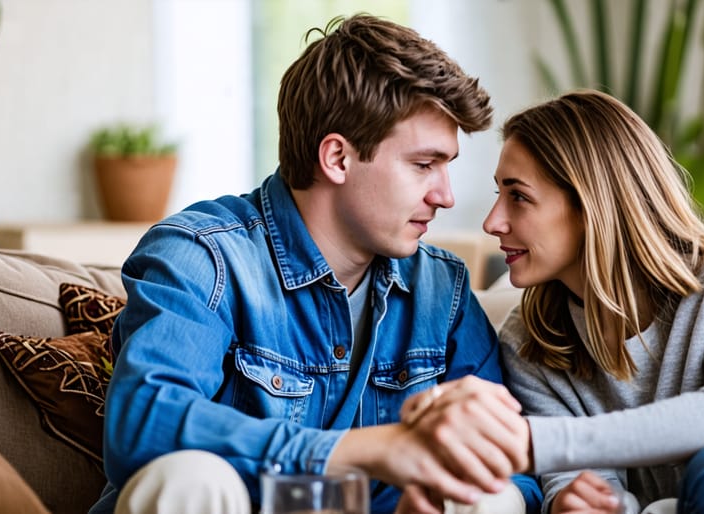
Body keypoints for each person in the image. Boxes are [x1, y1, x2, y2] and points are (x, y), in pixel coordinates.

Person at [88, 14, 541, 514]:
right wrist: (367, 451)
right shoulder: (205, 257)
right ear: (338, 158)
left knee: (490, 495)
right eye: (423, 165)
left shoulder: (442, 290)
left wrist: (432, 498)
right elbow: (144, 423)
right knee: (189, 477)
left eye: (446, 166)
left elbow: (517, 469)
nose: (446, 197)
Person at [471, 89, 704, 513]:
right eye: (498, 194)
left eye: (518, 196)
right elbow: (576, 479)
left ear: (592, 204)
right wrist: (582, 499)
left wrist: (536, 442)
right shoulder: (530, 336)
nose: (492, 222)